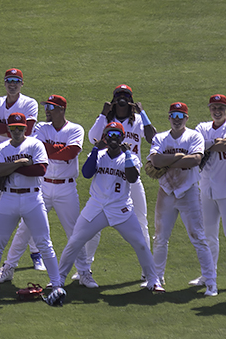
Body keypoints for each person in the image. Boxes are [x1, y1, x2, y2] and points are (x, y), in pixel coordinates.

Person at [0, 95, 94, 286]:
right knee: (24, 229)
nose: (46, 110)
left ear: (62, 109)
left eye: (51, 107)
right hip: (43, 186)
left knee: (75, 232)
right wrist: (57, 148)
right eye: (46, 106)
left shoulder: (76, 129)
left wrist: (51, 149)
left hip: (67, 188)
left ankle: (84, 272)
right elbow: (38, 149)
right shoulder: (41, 127)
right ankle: (8, 268)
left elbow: (71, 152)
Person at [56, 122, 165, 293]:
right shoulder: (98, 155)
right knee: (75, 241)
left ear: (122, 137)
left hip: (120, 208)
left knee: (141, 244)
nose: (113, 138)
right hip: (96, 206)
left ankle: (153, 280)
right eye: (110, 134)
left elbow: (132, 178)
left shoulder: (131, 157)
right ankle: (59, 278)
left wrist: (128, 152)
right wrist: (94, 150)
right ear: (105, 137)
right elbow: (86, 173)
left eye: (117, 134)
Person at [0, 112, 64, 302]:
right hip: (8, 198)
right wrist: (21, 162)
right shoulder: (1, 147)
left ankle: (56, 284)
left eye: (20, 128)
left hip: (32, 198)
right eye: (13, 128)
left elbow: (39, 170)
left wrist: (10, 167)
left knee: (44, 243)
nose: (16, 131)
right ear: (8, 129)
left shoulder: (34, 144)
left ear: (26, 128)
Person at [148, 102, 217, 296]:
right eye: (173, 115)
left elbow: (195, 160)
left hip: (189, 192)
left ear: (186, 118)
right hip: (166, 192)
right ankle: (157, 279)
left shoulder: (194, 136)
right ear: (169, 117)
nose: (177, 119)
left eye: (180, 116)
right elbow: (155, 161)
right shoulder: (160, 137)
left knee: (198, 237)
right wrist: (179, 157)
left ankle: (211, 281)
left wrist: (168, 160)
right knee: (160, 238)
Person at [0, 68, 43, 270]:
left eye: (16, 80)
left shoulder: (29, 103)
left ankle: (36, 254)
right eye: (9, 80)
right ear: (4, 82)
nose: (12, 84)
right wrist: (14, 126)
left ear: (22, 83)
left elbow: (29, 128)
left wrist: (3, 124)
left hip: (24, 157)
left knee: (29, 209)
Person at [88, 84, 156, 248]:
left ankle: (148, 271)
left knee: (141, 221)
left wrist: (143, 113)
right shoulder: (107, 120)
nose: (122, 98)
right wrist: (103, 113)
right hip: (108, 175)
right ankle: (84, 268)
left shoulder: (138, 120)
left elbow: (152, 138)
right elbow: (93, 138)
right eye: (119, 95)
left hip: (131, 176)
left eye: (126, 95)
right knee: (93, 222)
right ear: (113, 99)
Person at [192, 94, 226, 292]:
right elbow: (194, 147)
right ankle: (208, 274)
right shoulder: (202, 127)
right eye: (214, 107)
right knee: (208, 235)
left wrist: (206, 145)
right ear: (209, 108)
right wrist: (210, 143)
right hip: (206, 187)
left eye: (221, 107)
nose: (217, 110)